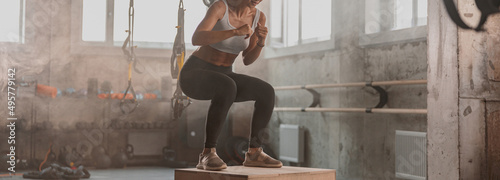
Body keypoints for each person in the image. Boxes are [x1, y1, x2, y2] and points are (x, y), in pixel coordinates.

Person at [179, 0, 282, 171]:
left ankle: (254, 152)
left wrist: (261, 41)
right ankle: (207, 153)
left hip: (224, 75)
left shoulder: (259, 17)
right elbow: (197, 38)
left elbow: (247, 59)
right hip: (195, 74)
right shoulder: (221, 7)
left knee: (266, 91)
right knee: (227, 85)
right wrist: (234, 31)